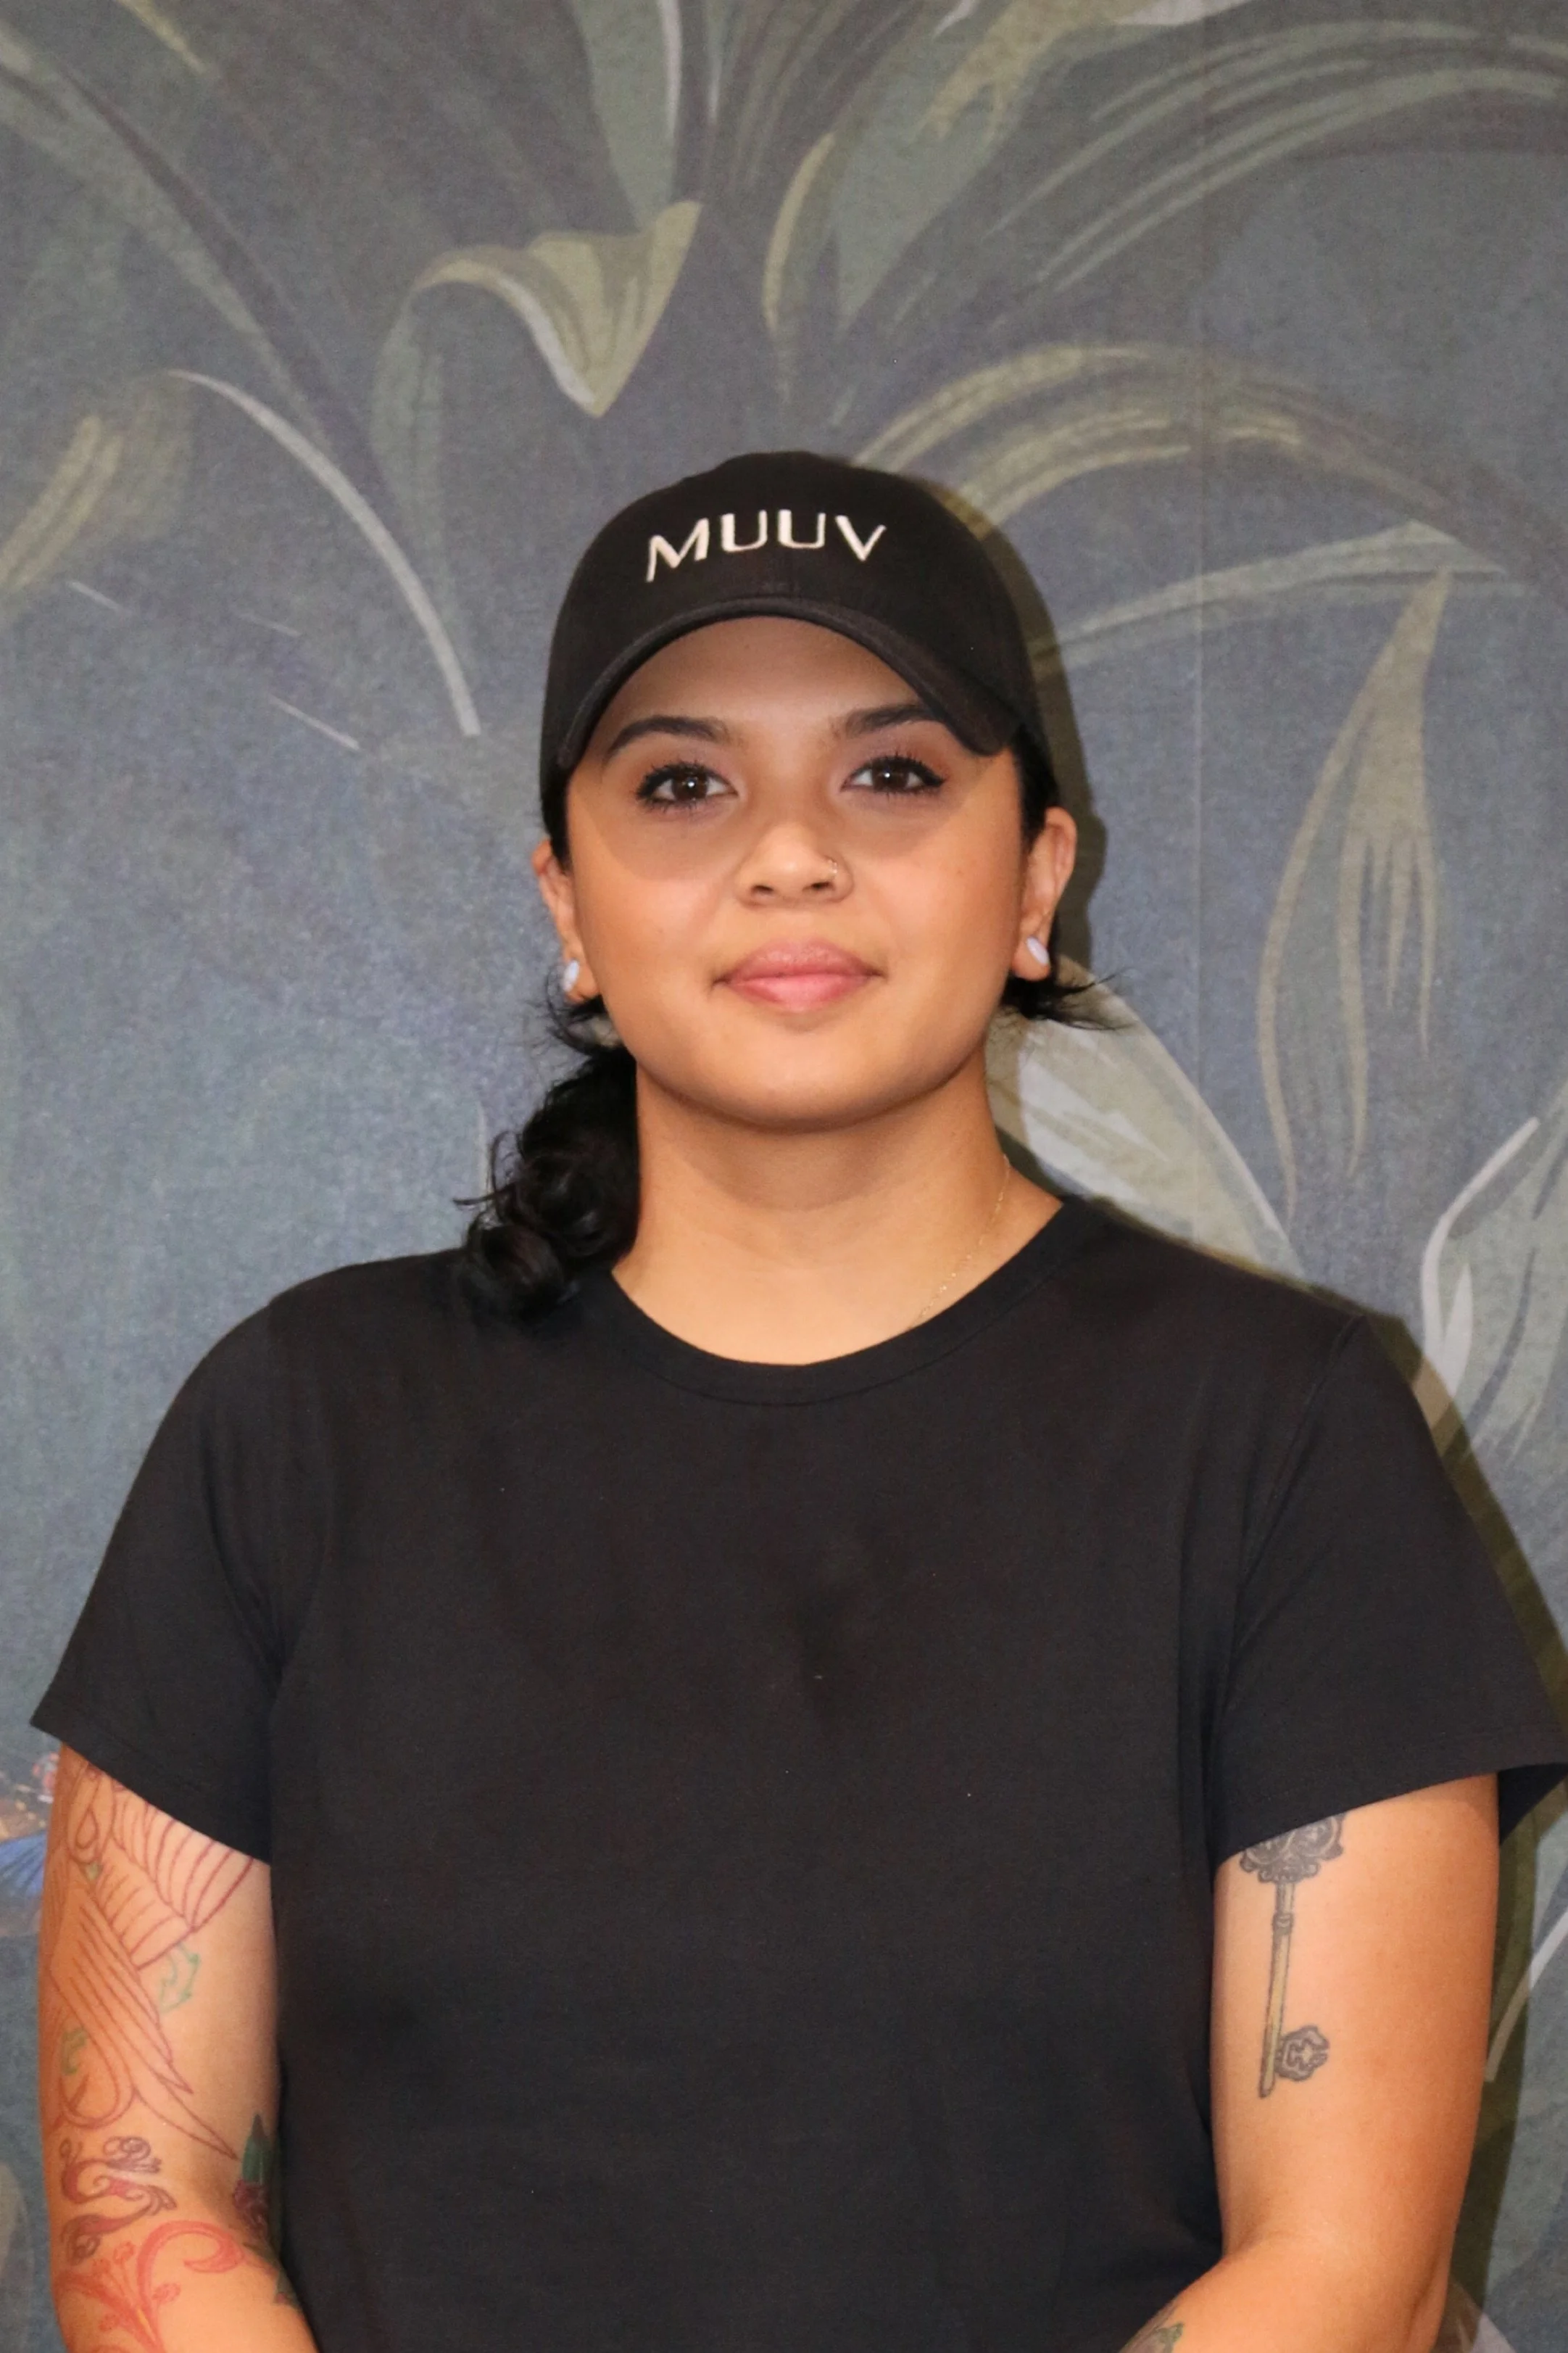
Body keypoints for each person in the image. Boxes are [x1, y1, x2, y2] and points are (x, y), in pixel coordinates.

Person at [33, 449, 1567, 2353]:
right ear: (565, 898)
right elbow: (136, 2207)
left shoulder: (1284, 1437)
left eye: (893, 772)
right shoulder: (295, 1430)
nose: (790, 850)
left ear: (1039, 874)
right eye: (683, 781)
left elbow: (1347, 2272)